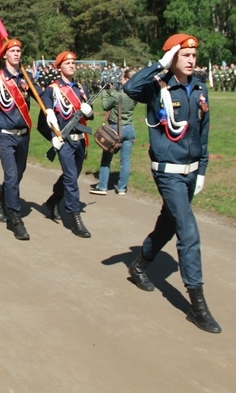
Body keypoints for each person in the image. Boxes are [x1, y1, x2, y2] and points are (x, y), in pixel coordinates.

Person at [123, 33, 220, 334]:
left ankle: (139, 264)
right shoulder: (156, 87)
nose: (192, 60)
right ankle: (198, 305)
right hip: (168, 171)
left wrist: (202, 169)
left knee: (169, 224)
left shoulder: (199, 88)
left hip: (190, 172)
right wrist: (159, 65)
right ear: (172, 57)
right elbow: (129, 88)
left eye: (194, 55)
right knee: (188, 231)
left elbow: (202, 132)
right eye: (185, 55)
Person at [41, 51, 94, 238]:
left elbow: (90, 114)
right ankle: (74, 217)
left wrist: (88, 111)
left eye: (73, 62)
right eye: (68, 63)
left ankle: (54, 200)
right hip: (64, 140)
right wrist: (52, 135)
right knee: (71, 178)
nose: (72, 65)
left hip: (80, 140)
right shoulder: (52, 89)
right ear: (59, 66)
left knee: (71, 175)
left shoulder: (81, 89)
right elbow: (48, 115)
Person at [0, 39, 32, 240]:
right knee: (11, 176)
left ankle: (0, 202)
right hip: (4, 135)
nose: (16, 54)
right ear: (5, 55)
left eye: (19, 50)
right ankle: (15, 217)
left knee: (18, 175)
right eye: (12, 51)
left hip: (24, 135)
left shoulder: (26, 78)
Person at [90, 68, 137, 196]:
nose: (120, 80)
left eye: (122, 78)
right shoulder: (135, 95)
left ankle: (102, 186)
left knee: (106, 159)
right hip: (129, 127)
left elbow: (105, 105)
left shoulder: (118, 95)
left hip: (115, 128)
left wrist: (105, 91)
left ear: (127, 79)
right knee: (125, 160)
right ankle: (122, 188)